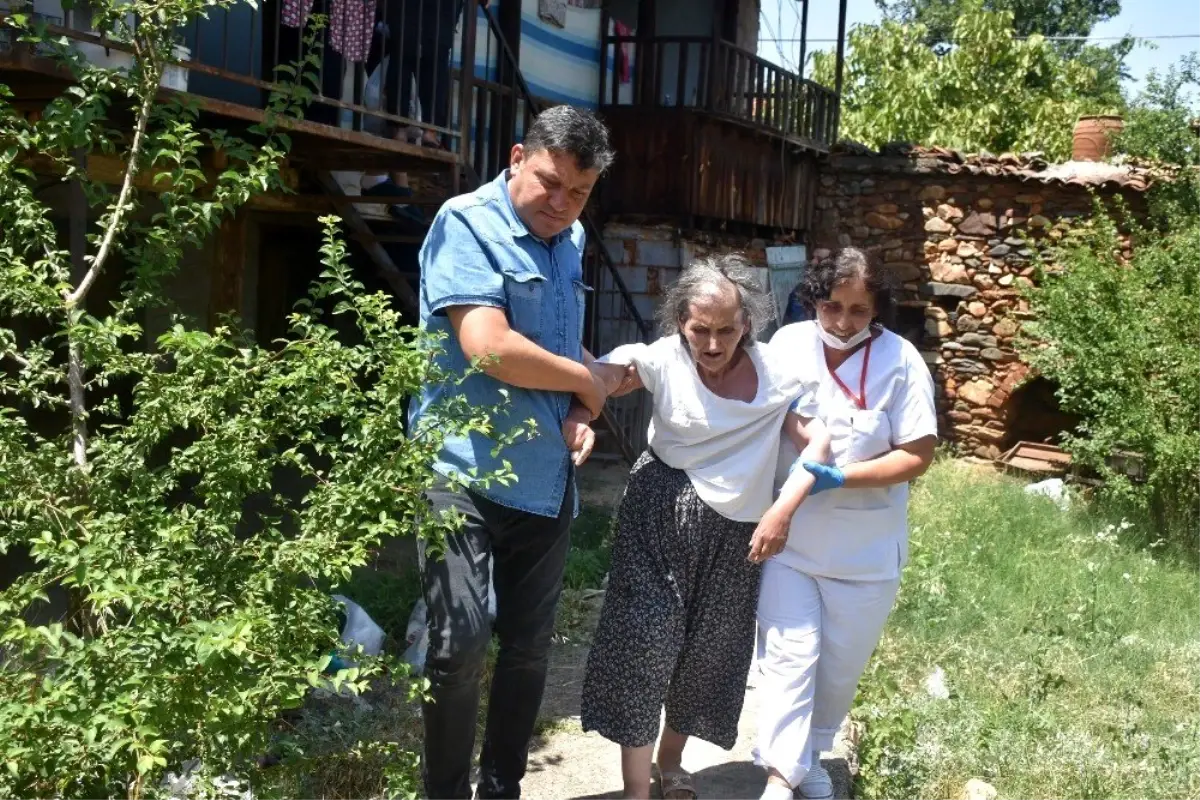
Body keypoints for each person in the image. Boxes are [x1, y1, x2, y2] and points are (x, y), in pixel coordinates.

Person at [407, 105, 614, 800]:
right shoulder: (466, 222)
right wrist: (587, 380)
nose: (561, 205)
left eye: (578, 193)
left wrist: (583, 407)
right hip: (460, 471)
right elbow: (489, 347)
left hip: (544, 480)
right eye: (549, 183)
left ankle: (502, 786)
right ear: (518, 155)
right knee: (457, 644)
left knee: (528, 650)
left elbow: (556, 346)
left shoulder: (572, 238)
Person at [580, 255, 833, 800]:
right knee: (644, 644)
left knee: (709, 656)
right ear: (680, 323)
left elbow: (820, 442)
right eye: (700, 330)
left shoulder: (777, 375)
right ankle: (635, 791)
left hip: (737, 532)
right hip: (658, 513)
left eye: (726, 330)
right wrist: (583, 405)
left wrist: (782, 508)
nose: (713, 344)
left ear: (748, 324)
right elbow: (612, 374)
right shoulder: (663, 359)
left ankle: (671, 762)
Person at [753, 248, 938, 800]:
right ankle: (779, 782)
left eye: (859, 310)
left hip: (866, 553)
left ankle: (807, 758)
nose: (842, 322)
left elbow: (917, 454)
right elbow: (764, 408)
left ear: (877, 309)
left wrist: (838, 477)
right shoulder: (786, 345)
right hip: (793, 543)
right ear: (813, 299)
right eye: (832, 306)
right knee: (789, 660)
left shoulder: (902, 361)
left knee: (834, 676)